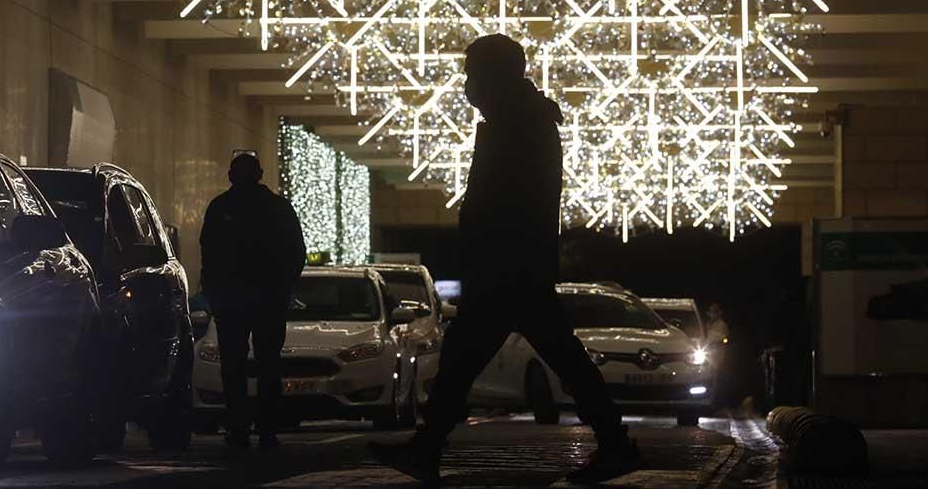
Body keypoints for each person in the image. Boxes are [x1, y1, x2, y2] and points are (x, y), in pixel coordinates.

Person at [370, 34, 639, 486]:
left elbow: (507, 200)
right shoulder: (517, 119)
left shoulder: (518, 124)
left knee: (475, 358)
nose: (467, 82)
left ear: (495, 75)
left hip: (507, 265)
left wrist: (486, 252)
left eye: (473, 72)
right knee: (507, 357)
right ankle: (613, 443)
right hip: (514, 264)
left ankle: (429, 446)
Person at [200, 153, 306, 450]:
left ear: (231, 175)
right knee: (268, 365)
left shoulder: (221, 207)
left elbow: (209, 252)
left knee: (233, 367)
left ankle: (238, 428)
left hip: (232, 300)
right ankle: (268, 429)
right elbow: (296, 253)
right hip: (267, 299)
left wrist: (215, 292)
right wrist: (282, 287)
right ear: (259, 174)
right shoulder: (278, 208)